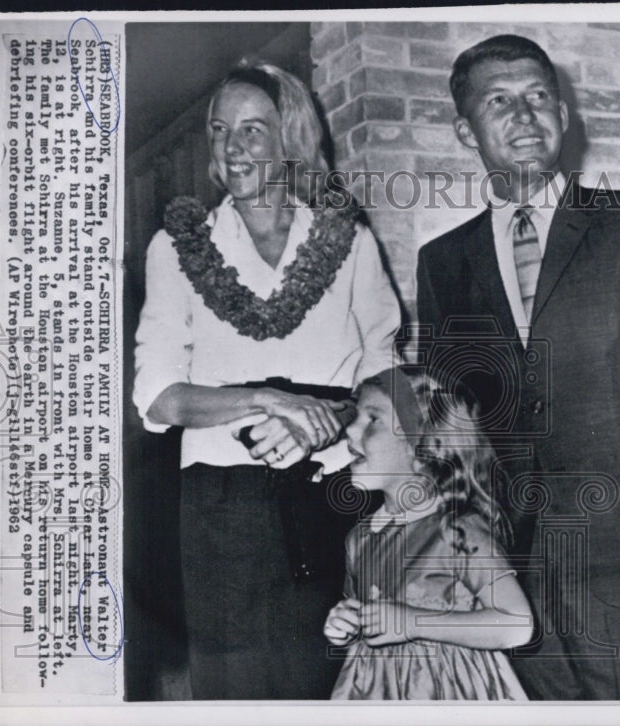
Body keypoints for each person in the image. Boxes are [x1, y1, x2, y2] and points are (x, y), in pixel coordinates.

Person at [416, 35, 620, 699]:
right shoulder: (443, 262)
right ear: (464, 130)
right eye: (499, 101)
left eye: (538, 98)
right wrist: (454, 546)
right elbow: (445, 421)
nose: (524, 115)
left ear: (562, 114)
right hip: (512, 577)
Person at [132, 59, 400, 699]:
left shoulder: (350, 241)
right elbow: (159, 396)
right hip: (222, 511)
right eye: (221, 130)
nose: (233, 146)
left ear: (291, 142)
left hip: (334, 495)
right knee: (238, 691)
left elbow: (389, 376)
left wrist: (325, 422)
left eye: (254, 130)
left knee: (334, 682)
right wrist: (267, 399)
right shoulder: (176, 247)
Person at [324, 367, 532, 700]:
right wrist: (346, 625)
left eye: (372, 419)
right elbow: (362, 611)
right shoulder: (359, 538)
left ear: (422, 443)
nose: (350, 430)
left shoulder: (457, 530)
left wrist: (413, 623)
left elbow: (516, 624)